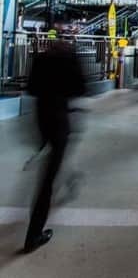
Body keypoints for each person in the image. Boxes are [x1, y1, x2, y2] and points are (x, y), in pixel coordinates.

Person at [24, 37, 86, 253]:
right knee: (49, 176)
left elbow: (31, 88)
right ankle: (33, 235)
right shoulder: (71, 58)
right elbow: (80, 89)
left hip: (41, 117)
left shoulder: (41, 59)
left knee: (54, 157)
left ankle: (67, 178)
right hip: (60, 117)